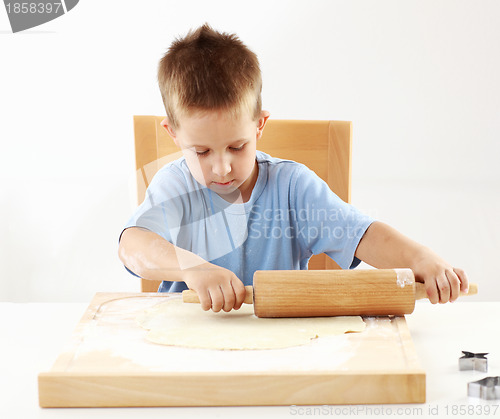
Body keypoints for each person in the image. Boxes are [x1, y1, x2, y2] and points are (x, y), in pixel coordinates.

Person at [118, 24, 468, 313]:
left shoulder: (292, 188)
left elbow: (362, 234)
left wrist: (421, 258)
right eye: (202, 151)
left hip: (285, 343)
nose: (222, 167)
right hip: (187, 344)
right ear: (173, 134)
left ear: (259, 125)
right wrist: (192, 268)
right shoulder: (174, 187)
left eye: (237, 147)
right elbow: (132, 244)